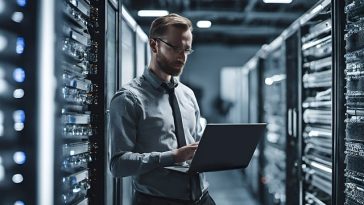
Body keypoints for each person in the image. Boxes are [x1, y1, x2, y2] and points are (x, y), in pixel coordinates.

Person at [109, 13, 215, 205]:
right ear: (154, 45)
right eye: (175, 48)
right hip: (157, 201)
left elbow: (197, 144)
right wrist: (173, 156)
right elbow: (118, 165)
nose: (182, 57)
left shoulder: (188, 94)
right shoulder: (129, 99)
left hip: (202, 198)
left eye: (187, 50)